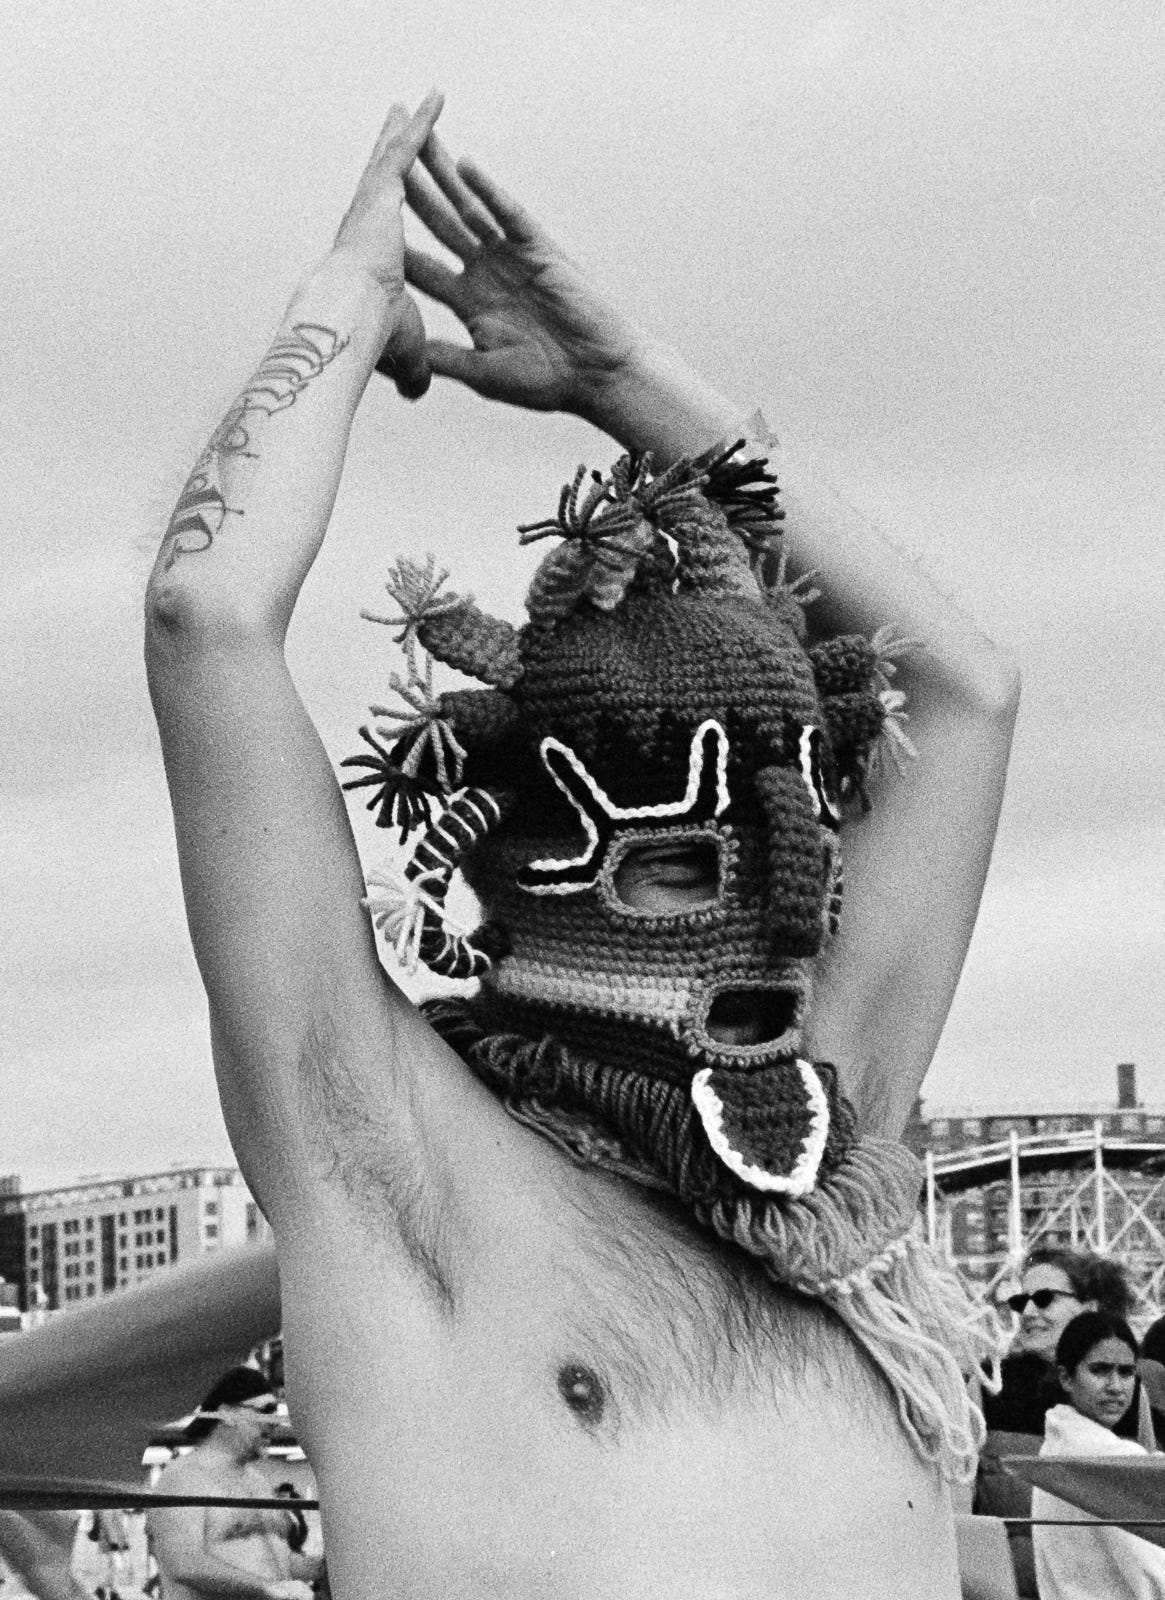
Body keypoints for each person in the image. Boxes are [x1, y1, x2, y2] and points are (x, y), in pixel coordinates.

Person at [144, 93, 1019, 1597]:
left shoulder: (831, 1138)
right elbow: (206, 622)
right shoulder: (386, 1150)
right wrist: (343, 300)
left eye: (776, 857)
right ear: (534, 872)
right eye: (683, 866)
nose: (772, 921)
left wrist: (625, 381)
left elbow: (967, 688)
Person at [146, 1369, 318, 1600]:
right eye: (266, 1410)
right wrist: (267, 1588)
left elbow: (277, 1559)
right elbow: (183, 1563)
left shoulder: (257, 1482)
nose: (274, 1423)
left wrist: (320, 1568)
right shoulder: (182, 1477)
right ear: (227, 1414)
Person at [1033, 1311, 1165, 1599]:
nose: (1115, 1387)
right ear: (1066, 1378)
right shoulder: (1115, 1460)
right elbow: (1155, 1577)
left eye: (1126, 1372)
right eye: (1100, 1370)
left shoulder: (1055, 1448)